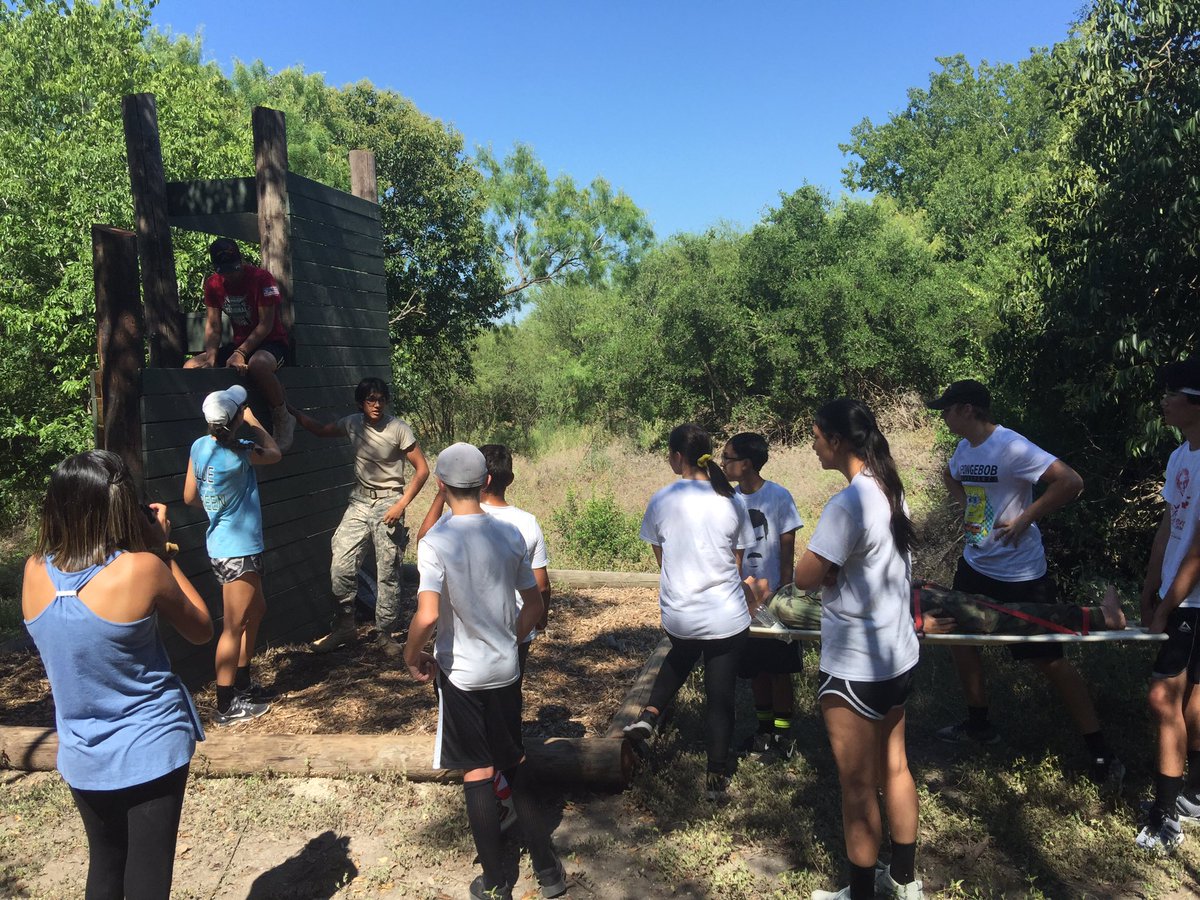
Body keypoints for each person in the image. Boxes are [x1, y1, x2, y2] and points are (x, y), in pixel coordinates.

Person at [22, 450, 212, 899]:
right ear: (121, 504)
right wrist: (161, 551)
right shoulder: (141, 569)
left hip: (82, 753)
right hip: (151, 745)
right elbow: (201, 629)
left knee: (105, 866)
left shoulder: (33, 572)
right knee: (148, 878)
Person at [928, 379, 1123, 785]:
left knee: (1047, 659)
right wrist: (967, 507)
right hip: (975, 562)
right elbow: (951, 478)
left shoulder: (1012, 446)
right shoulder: (964, 449)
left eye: (947, 409)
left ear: (967, 409)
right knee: (958, 640)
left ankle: (1100, 750)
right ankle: (979, 724)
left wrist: (1024, 519)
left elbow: (1070, 481)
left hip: (1020, 572)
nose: (943, 416)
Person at [403, 443, 566, 900]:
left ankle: (495, 881)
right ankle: (549, 872)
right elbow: (534, 602)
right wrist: (510, 639)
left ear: (440, 485)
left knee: (476, 771)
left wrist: (411, 654)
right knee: (513, 760)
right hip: (505, 668)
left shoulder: (436, 542)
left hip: (462, 674)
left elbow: (429, 616)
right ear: (484, 482)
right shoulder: (510, 534)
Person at [800, 399, 923, 900]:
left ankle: (861, 893)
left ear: (838, 441)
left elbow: (804, 577)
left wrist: (828, 569)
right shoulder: (890, 490)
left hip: (854, 667)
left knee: (856, 786)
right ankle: (904, 881)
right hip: (899, 657)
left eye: (815, 435)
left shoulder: (847, 503)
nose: (811, 444)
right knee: (895, 766)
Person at [622, 423, 758, 801]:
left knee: (682, 651)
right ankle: (716, 778)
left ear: (677, 457)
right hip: (726, 616)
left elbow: (661, 559)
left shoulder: (661, 500)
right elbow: (737, 562)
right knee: (720, 696)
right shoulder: (732, 500)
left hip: (679, 615)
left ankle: (649, 715)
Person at [291, 377, 429, 656]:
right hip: (359, 500)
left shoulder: (398, 429)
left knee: (387, 569)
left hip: (389, 502)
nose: (377, 405)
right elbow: (320, 430)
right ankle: (345, 626)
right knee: (341, 562)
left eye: (381, 399)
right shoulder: (352, 423)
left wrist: (400, 505)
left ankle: (385, 634)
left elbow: (422, 470)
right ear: (361, 403)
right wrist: (289, 411)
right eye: (371, 400)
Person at [184, 384, 281, 724]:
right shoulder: (242, 450)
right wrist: (255, 421)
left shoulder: (199, 447)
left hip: (223, 544)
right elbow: (275, 452)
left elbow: (189, 497)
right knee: (234, 625)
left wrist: (217, 509)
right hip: (238, 548)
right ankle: (226, 704)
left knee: (256, 610)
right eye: (242, 409)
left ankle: (242, 682)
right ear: (237, 417)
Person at [1138, 358, 1200, 854]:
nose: (1162, 400)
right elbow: (1170, 525)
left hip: (1194, 599)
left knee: (1164, 698)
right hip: (1179, 593)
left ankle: (1165, 817)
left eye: (1170, 392)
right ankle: (1191, 794)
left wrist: (1166, 608)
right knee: (1191, 696)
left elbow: (1199, 550)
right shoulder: (1182, 455)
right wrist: (1149, 583)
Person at [721, 432, 804, 759]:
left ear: (747, 464)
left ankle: (783, 737)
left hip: (775, 601)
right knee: (755, 669)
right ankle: (764, 731)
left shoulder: (779, 497)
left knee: (779, 670)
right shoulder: (728, 499)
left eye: (728, 458)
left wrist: (783, 597)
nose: (723, 463)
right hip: (742, 602)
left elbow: (787, 552)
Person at [183, 238, 297, 452]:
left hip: (271, 342)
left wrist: (240, 352)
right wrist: (210, 357)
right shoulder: (213, 284)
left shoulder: (262, 279)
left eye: (234, 269)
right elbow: (214, 326)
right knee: (190, 367)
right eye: (225, 271)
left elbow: (266, 324)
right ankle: (207, 424)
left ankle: (282, 416)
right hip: (239, 343)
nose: (231, 275)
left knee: (258, 365)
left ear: (241, 261)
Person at [766, 579, 1128, 635]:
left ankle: (1095, 615)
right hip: (912, 611)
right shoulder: (786, 607)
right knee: (999, 618)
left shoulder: (787, 590)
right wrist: (917, 625)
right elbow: (849, 623)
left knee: (996, 610)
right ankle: (1098, 617)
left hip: (909, 596)